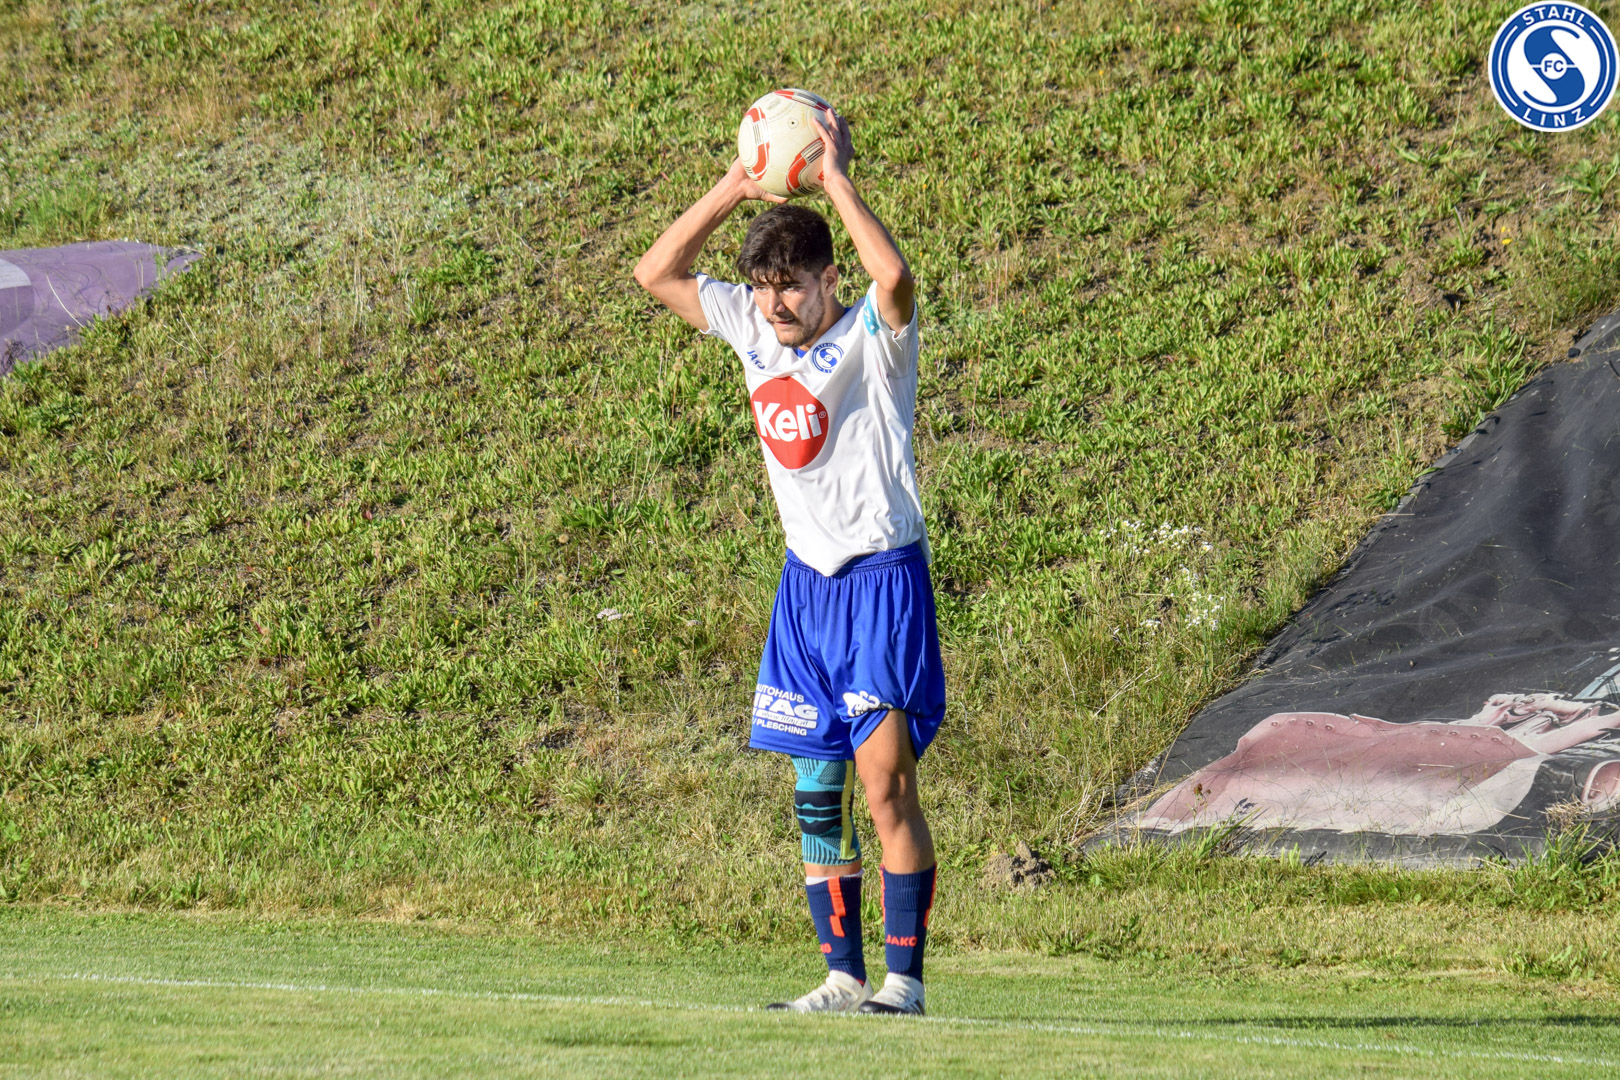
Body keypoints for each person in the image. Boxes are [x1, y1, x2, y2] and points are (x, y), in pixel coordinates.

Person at [633, 106, 942, 1015]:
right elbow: (656, 272)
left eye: (793, 286)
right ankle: (843, 977)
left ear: (827, 278)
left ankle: (903, 983)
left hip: (879, 582)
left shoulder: (875, 339)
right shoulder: (752, 329)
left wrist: (832, 176)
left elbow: (896, 275)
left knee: (885, 788)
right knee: (816, 793)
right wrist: (737, 183)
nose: (775, 305)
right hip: (804, 590)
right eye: (763, 287)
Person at [1140, 691, 1620, 835]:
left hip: (1452, 775)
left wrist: (1548, 710)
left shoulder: (1513, 745)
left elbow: (1586, 726)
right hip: (1418, 763)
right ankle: (1173, 817)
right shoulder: (1478, 733)